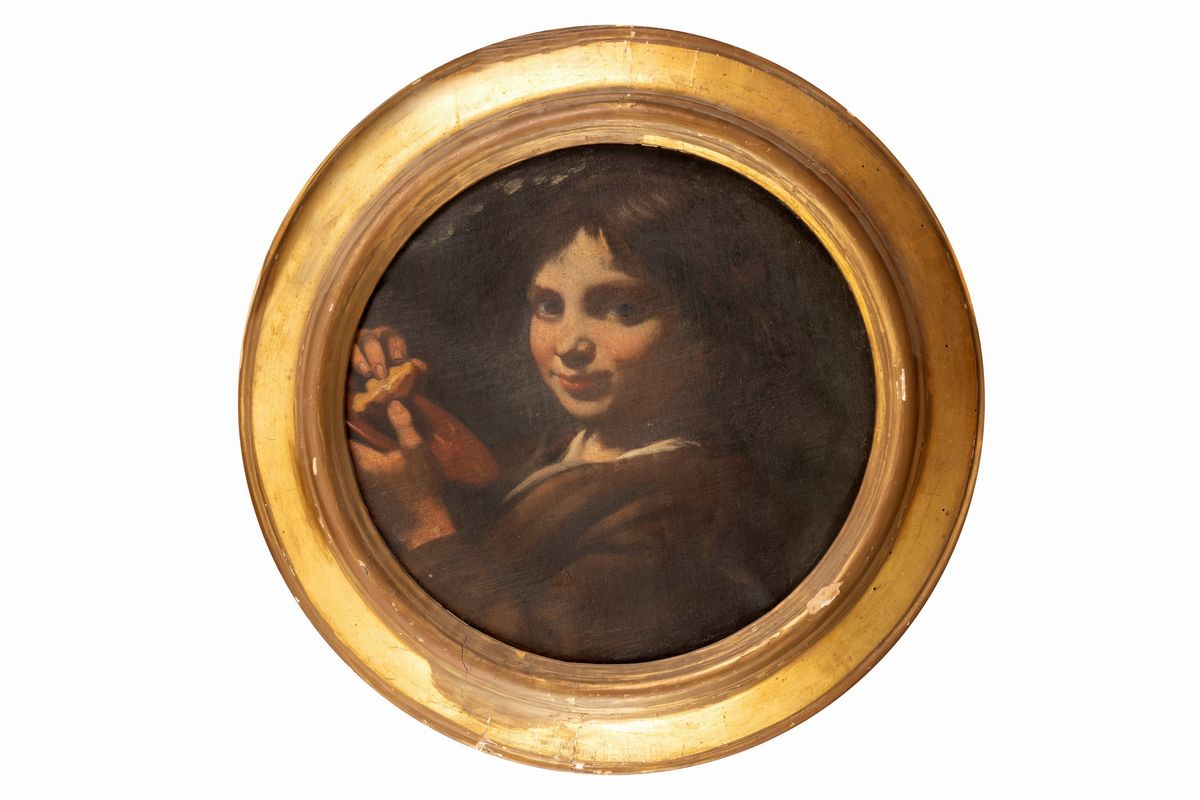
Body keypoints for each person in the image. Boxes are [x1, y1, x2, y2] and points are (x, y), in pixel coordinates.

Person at [347, 147, 867, 663]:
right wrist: (371, 378)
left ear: (706, 328)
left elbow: (542, 669)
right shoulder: (553, 450)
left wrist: (423, 524)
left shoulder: (692, 505)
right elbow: (464, 480)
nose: (569, 344)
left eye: (621, 308)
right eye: (549, 306)